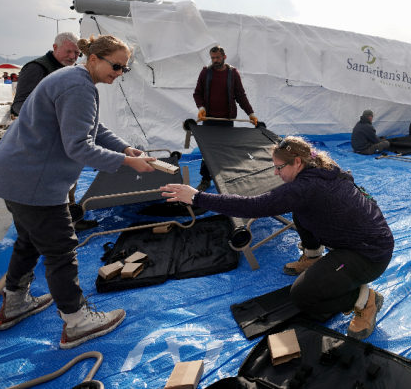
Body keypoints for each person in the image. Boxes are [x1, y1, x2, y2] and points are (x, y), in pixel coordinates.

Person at [0, 34, 156, 349]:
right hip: (32, 182)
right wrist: (128, 163)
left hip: (13, 176)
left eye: (124, 69)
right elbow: (79, 147)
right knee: (61, 248)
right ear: (93, 59)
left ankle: (15, 303)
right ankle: (77, 321)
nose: (118, 73)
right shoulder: (79, 87)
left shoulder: (74, 79)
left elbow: (95, 128)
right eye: (116, 66)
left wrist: (126, 148)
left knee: (29, 240)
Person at [160, 136, 394, 340]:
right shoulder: (325, 168)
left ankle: (365, 299)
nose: (275, 172)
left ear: (298, 162)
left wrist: (198, 197)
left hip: (368, 256)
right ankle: (313, 256)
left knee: (302, 296)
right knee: (301, 212)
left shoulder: (305, 188)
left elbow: (254, 206)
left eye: (279, 167)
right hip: (367, 239)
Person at [193, 45, 259, 191]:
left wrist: (251, 114)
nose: (215, 60)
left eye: (217, 57)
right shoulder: (205, 72)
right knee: (207, 152)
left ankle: (225, 179)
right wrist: (201, 108)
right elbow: (197, 93)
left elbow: (240, 96)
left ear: (224, 57)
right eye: (212, 58)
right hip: (209, 120)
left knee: (225, 151)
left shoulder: (233, 74)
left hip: (227, 120)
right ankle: (206, 179)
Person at [11, 33, 81, 117]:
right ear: (55, 48)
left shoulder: (76, 71)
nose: (72, 56)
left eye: (77, 53)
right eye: (68, 51)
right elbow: (20, 103)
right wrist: (44, 120)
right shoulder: (36, 68)